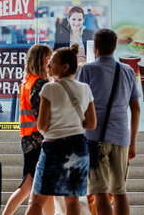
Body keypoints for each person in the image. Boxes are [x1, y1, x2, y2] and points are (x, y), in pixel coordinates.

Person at [25, 45, 97, 215]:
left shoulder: (49, 88)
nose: (48, 66)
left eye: (52, 62)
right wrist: (74, 123)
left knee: (37, 201)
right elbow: (92, 123)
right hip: (78, 147)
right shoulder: (85, 89)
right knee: (72, 201)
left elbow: (41, 125)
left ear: (64, 67)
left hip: (54, 147)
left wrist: (56, 129)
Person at [78, 29, 141, 215]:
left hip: (94, 138)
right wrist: (133, 142)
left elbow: (80, 106)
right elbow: (136, 108)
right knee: (120, 191)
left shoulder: (87, 70)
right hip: (121, 137)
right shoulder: (128, 70)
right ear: (115, 47)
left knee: (100, 192)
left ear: (95, 48)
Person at [2, 44, 55, 215]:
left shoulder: (28, 81)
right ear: (41, 60)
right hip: (38, 139)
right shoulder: (40, 83)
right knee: (34, 186)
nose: (51, 61)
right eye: (49, 58)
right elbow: (42, 113)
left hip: (29, 138)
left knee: (33, 187)